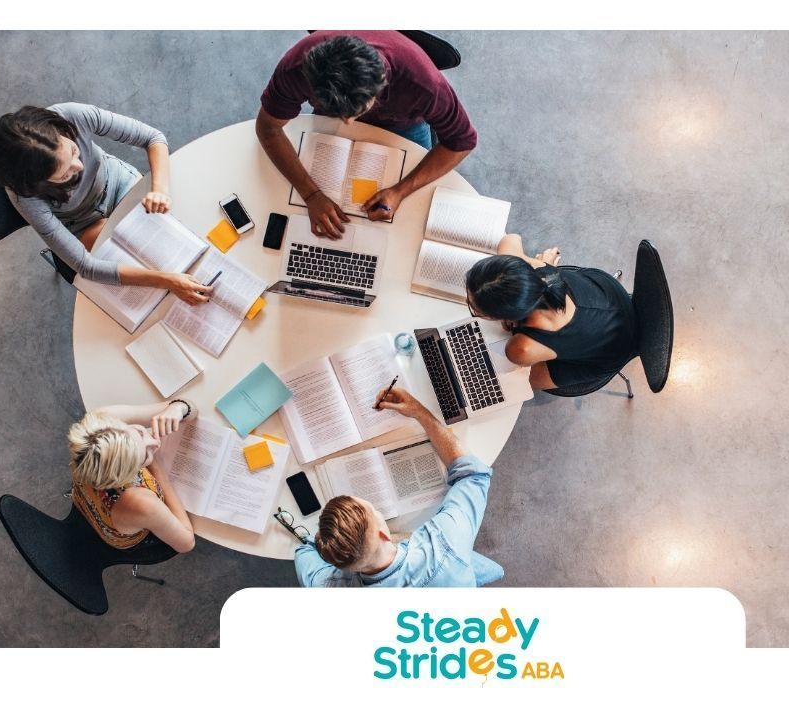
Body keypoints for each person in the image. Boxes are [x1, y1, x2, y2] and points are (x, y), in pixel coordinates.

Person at [0, 103, 213, 304]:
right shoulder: (24, 196)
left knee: (179, 230)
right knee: (141, 265)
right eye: (64, 174)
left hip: (119, 183)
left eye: (74, 151)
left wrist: (160, 190)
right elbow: (86, 266)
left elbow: (153, 138)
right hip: (82, 223)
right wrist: (166, 281)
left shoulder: (72, 115)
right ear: (37, 184)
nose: (80, 166)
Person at [256, 31, 478, 238]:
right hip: (328, 119)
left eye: (357, 111)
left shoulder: (423, 84)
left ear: (382, 81)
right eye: (340, 113)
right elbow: (268, 128)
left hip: (404, 125)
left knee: (410, 217)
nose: (348, 123)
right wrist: (311, 194)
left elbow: (463, 142)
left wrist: (400, 191)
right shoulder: (295, 67)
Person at [293, 387, 504, 587]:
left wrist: (329, 541)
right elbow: (473, 474)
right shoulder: (444, 542)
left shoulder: (328, 586)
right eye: (373, 511)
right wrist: (419, 412)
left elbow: (304, 553)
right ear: (384, 535)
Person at [465, 234, 638, 390]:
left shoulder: (520, 348)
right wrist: (539, 264)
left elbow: (521, 354)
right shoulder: (537, 269)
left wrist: (514, 325)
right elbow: (510, 239)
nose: (467, 302)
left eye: (474, 309)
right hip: (609, 295)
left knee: (517, 384)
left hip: (612, 352)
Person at [67, 399, 197, 553]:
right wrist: (157, 467)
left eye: (140, 432)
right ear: (125, 477)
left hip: (85, 498)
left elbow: (190, 407)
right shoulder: (141, 502)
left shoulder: (101, 421)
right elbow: (187, 543)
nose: (155, 443)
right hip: (124, 534)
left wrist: (178, 408)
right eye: (145, 456)